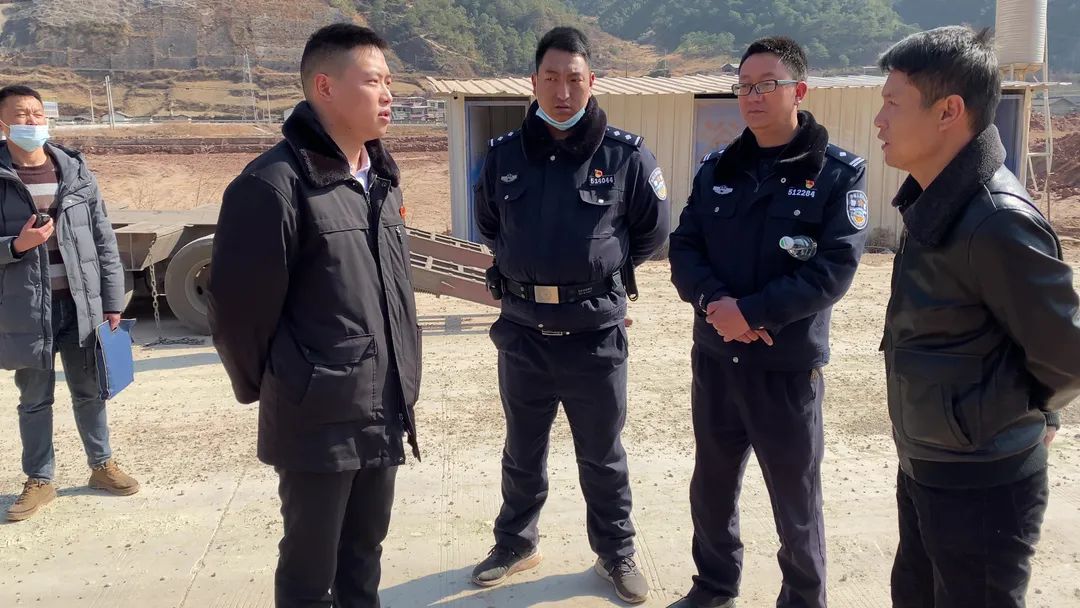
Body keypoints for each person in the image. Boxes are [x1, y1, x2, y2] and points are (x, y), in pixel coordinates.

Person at [208, 24, 421, 608]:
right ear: (325, 87)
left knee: (364, 558)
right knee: (310, 571)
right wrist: (285, 384)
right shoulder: (273, 186)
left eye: (390, 82)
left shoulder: (379, 177)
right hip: (317, 418)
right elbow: (238, 315)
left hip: (383, 406)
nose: (389, 95)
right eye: (373, 81)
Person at [874, 26, 1080, 608]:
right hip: (930, 463)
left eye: (893, 103)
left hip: (984, 480)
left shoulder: (996, 220)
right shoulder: (937, 199)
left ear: (949, 111)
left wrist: (1027, 413)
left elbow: (1066, 354)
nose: (879, 120)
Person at [471, 26, 670, 605]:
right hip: (523, 332)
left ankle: (616, 551)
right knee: (522, 449)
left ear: (592, 82)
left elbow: (651, 231)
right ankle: (515, 543)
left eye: (574, 79)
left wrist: (598, 277)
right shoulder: (505, 156)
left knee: (602, 453)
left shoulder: (626, 156)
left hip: (594, 335)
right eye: (551, 78)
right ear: (533, 82)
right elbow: (490, 225)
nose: (563, 92)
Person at [668, 37, 869, 608]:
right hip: (716, 360)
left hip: (785, 369)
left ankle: (803, 599)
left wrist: (752, 313)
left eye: (766, 85)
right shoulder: (718, 169)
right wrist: (715, 304)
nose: (752, 96)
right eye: (744, 86)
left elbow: (833, 270)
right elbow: (685, 247)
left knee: (795, 500)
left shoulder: (837, 174)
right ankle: (713, 586)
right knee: (711, 487)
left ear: (798, 90)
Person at [0, 84, 139, 523]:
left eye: (37, 113)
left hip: (82, 306)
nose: (32, 121)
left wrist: (112, 300)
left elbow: (103, 240)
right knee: (34, 399)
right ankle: (39, 479)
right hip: (25, 310)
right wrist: (16, 246)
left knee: (90, 392)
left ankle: (101, 465)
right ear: (2, 124)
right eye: (21, 115)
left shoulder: (75, 171)